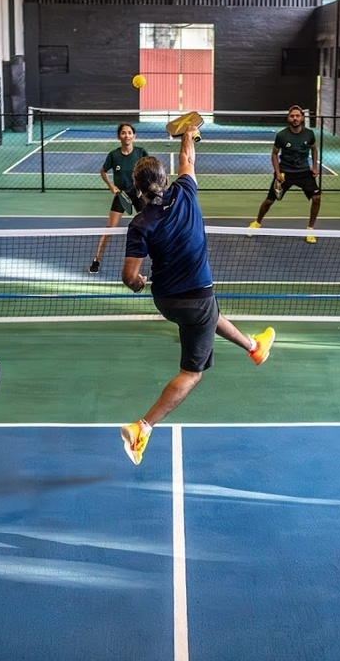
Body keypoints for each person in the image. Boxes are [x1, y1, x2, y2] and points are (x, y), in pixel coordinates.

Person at [118, 128, 276, 465]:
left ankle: (254, 348)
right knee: (192, 372)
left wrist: (139, 283)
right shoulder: (186, 191)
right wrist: (188, 133)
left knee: (209, 316)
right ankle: (142, 427)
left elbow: (130, 277)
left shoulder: (141, 223)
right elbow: (188, 157)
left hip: (166, 300)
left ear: (138, 187)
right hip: (196, 296)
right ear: (165, 178)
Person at [248, 105, 321, 244]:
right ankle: (257, 223)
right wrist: (277, 173)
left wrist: (314, 167)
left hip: (304, 172)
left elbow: (314, 149)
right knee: (269, 201)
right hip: (285, 172)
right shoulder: (282, 135)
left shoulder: (309, 134)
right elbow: (274, 154)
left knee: (317, 198)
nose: (295, 118)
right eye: (292, 116)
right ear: (288, 118)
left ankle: (310, 229)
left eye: (297, 116)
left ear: (302, 118)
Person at [89, 123, 148, 274]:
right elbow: (102, 171)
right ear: (119, 136)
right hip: (121, 196)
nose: (126, 135)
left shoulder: (141, 153)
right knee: (109, 230)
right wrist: (111, 186)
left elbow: (149, 170)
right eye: (123, 133)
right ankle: (96, 260)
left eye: (129, 133)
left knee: (150, 228)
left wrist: (144, 188)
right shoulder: (114, 155)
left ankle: (158, 261)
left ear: (134, 136)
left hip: (138, 195)